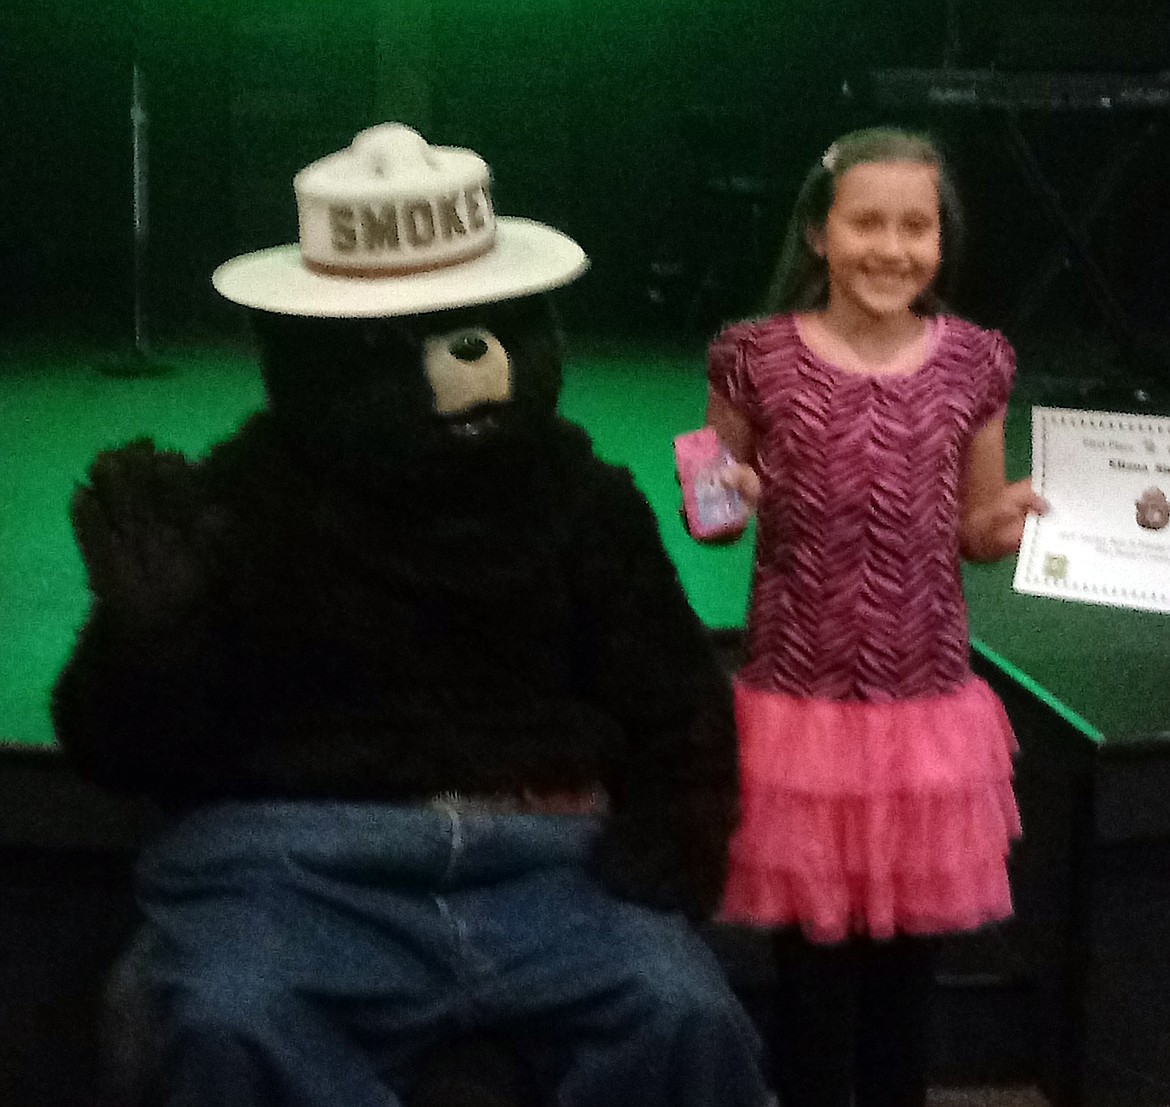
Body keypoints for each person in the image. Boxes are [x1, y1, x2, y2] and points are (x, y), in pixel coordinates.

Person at [698, 126, 1048, 1107]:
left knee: (907, 984)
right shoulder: (752, 358)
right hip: (798, 716)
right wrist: (721, 491)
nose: (891, 248)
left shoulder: (976, 363)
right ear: (818, 232)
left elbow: (975, 531)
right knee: (811, 978)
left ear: (942, 239)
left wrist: (1011, 520)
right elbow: (716, 523)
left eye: (916, 227)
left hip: (924, 714)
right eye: (866, 223)